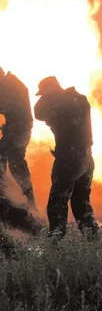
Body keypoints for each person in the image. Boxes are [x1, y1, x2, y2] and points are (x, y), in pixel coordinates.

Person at [33, 76, 100, 240]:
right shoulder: (79, 99)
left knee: (57, 201)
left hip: (69, 159)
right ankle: (92, 237)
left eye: (44, 93)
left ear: (50, 90)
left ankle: (57, 240)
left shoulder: (58, 103)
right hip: (86, 157)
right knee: (80, 201)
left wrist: (49, 96)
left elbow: (38, 112)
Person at [0, 68, 36, 208]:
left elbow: (5, 107)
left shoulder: (7, 86)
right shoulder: (11, 82)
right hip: (18, 128)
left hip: (18, 129)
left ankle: (25, 198)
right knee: (9, 159)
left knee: (15, 162)